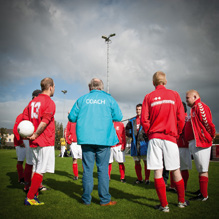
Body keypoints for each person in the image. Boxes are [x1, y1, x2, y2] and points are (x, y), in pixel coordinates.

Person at [68, 78, 123, 206]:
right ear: (101, 87)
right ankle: (104, 200)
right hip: (104, 139)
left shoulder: (82, 99)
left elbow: (71, 117)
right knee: (103, 170)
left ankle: (86, 200)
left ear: (90, 87)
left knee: (87, 170)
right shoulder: (109, 99)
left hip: (86, 138)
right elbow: (119, 117)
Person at [141, 71, 188, 212]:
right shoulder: (174, 95)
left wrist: (151, 131)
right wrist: (177, 132)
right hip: (170, 137)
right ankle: (181, 202)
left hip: (155, 138)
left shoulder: (148, 97)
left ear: (153, 83)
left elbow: (144, 119)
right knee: (175, 170)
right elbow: (181, 117)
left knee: (158, 170)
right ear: (165, 81)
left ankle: (164, 205)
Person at [23, 77, 56, 206]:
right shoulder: (50, 102)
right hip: (44, 139)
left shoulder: (32, 102)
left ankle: (34, 194)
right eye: (54, 87)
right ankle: (30, 197)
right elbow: (45, 121)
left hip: (33, 140)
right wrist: (36, 133)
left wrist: (30, 134)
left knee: (36, 168)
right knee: (40, 169)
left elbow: (25, 120)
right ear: (50, 87)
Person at [185, 90, 215, 201]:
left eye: (188, 98)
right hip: (196, 142)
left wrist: (210, 135)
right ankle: (202, 191)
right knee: (200, 169)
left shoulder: (200, 106)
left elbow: (208, 122)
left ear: (195, 96)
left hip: (201, 142)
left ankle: (204, 195)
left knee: (203, 169)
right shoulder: (194, 108)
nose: (186, 100)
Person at [13, 89, 42, 193]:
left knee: (35, 163)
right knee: (31, 163)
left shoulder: (35, 108)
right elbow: (16, 128)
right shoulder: (28, 109)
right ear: (35, 97)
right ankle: (28, 185)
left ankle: (34, 185)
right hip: (26, 140)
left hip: (34, 139)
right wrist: (19, 140)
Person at [126, 104, 150, 184]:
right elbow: (127, 129)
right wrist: (130, 134)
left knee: (146, 161)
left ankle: (147, 179)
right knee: (137, 162)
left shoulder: (147, 119)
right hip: (134, 143)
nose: (138, 111)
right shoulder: (132, 120)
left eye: (139, 109)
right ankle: (139, 179)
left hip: (144, 143)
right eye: (137, 109)